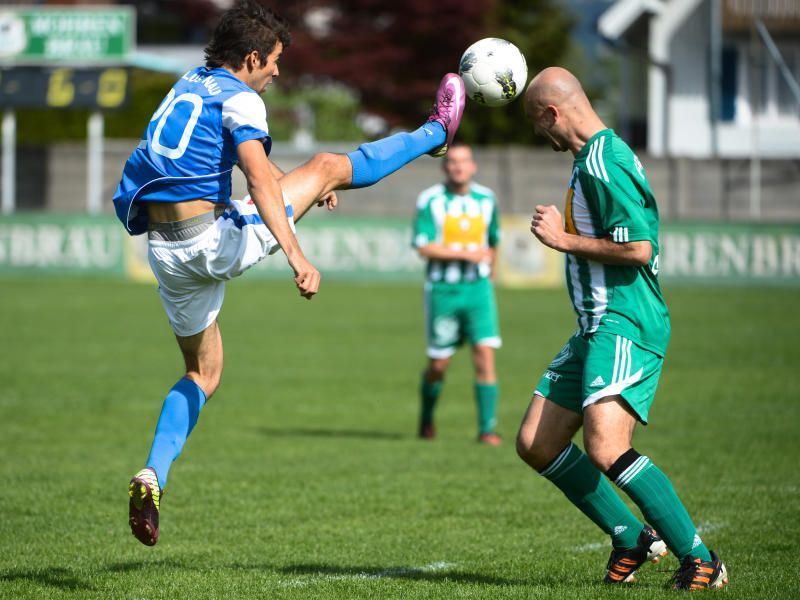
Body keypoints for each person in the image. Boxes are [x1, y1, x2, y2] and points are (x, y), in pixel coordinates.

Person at [114, 0, 465, 547]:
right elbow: (256, 182)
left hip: (166, 249)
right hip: (212, 242)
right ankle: (435, 132)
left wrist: (292, 185)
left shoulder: (192, 82)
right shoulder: (242, 99)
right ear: (252, 58)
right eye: (275, 60)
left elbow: (254, 169)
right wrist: (297, 254)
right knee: (328, 165)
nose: (278, 71)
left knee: (204, 374)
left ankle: (151, 473)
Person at [515, 67, 728, 590]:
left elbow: (639, 249)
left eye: (538, 125)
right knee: (536, 442)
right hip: (595, 326)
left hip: (626, 321)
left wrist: (564, 241)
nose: (541, 136)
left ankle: (701, 558)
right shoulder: (589, 159)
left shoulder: (604, 161)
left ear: (552, 114)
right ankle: (631, 535)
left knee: (606, 447)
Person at [412, 145, 502, 445]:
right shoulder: (430, 200)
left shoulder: (487, 199)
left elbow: (493, 242)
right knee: (439, 365)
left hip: (478, 291)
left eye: (463, 162)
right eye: (451, 162)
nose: (458, 167)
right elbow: (423, 246)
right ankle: (426, 418)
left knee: (485, 357)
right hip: (443, 292)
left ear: (473, 166)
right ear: (444, 167)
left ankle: (487, 429)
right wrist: (464, 256)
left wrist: (493, 272)